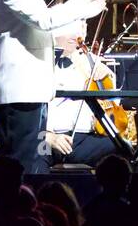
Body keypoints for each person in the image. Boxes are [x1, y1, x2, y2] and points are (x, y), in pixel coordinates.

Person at [0, 0, 106, 174]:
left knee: (28, 167)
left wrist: (87, 8)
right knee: (21, 168)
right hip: (20, 91)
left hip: (30, 90)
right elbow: (44, 20)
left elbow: (41, 28)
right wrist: (83, 0)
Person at [45, 19, 119, 168]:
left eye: (81, 29)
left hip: (85, 137)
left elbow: (113, 102)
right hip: (49, 137)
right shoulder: (40, 62)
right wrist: (49, 136)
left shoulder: (90, 61)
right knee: (35, 156)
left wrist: (107, 78)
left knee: (121, 148)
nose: (77, 34)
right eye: (70, 29)